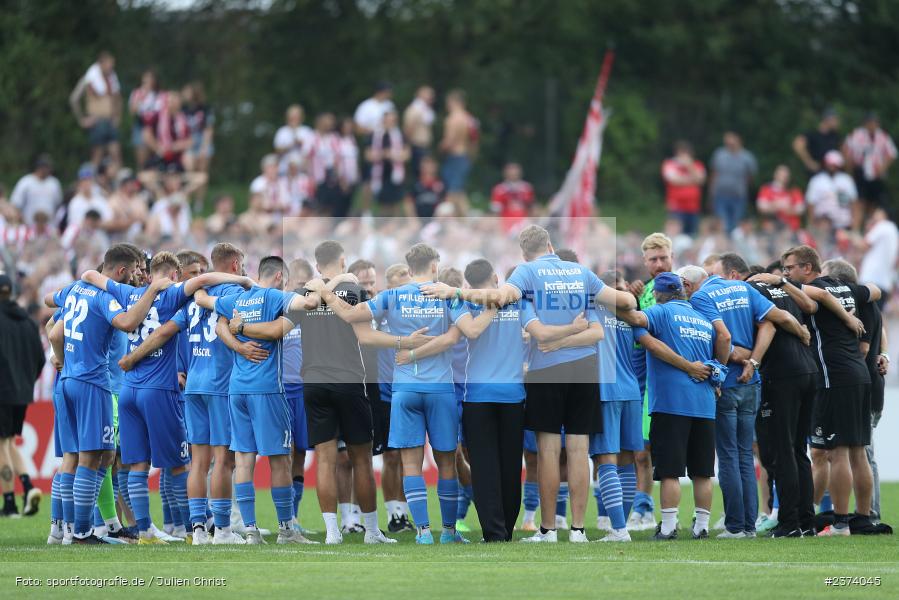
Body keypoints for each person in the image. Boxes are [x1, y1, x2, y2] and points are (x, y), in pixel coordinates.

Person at [420, 225, 636, 543]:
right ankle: (577, 530)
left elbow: (501, 299)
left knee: (548, 451)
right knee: (579, 449)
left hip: (546, 370)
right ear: (550, 245)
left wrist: (456, 292)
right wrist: (620, 302)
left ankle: (548, 530)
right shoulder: (582, 273)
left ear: (524, 253)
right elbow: (625, 302)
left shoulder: (527, 273)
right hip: (585, 367)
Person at [232, 243, 409, 545]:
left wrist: (242, 327)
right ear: (343, 261)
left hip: (313, 384)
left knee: (325, 461)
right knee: (362, 460)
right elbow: (365, 336)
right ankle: (372, 532)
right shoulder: (354, 291)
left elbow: (275, 331)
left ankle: (331, 533)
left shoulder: (305, 295)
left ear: (316, 265)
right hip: (349, 382)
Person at [85, 252, 253, 545]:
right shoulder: (174, 294)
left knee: (137, 465)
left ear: (150, 273)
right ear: (174, 275)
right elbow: (202, 281)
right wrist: (243, 280)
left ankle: (145, 531)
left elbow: (89, 274)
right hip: (159, 390)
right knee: (180, 464)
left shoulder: (128, 293)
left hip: (129, 389)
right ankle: (192, 528)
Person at [311, 243, 469, 545]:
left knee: (409, 464)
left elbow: (351, 316)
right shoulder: (446, 294)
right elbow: (458, 335)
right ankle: (449, 532)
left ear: (409, 269)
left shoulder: (392, 295)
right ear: (434, 266)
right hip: (440, 388)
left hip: (404, 389)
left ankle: (423, 533)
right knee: (447, 463)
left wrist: (327, 293)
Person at [47, 244, 171, 544]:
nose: (138, 275)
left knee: (80, 457)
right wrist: (153, 291)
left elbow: (52, 323)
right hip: (94, 383)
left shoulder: (75, 289)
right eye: (135, 270)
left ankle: (62, 530)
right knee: (94, 457)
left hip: (68, 380)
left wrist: (60, 358)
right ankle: (82, 531)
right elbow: (127, 322)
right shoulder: (106, 297)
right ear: (121, 271)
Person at [681, 255, 810, 537]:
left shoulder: (701, 298)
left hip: (728, 383)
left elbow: (722, 338)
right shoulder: (742, 287)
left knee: (728, 456)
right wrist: (799, 333)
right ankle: (750, 525)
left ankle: (736, 526)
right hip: (752, 383)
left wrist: (726, 366)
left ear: (690, 285)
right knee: (745, 456)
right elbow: (775, 321)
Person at [207, 256, 323, 544]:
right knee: (280, 460)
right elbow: (309, 305)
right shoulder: (275, 297)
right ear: (280, 277)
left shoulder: (236, 299)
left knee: (244, 459)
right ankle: (286, 530)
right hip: (268, 388)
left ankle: (250, 531)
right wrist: (316, 286)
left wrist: (238, 341)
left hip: (237, 389)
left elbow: (206, 305)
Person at [779, 245, 879, 536]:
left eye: (791, 268)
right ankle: (863, 518)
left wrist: (779, 282)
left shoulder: (816, 289)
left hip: (833, 376)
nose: (787, 274)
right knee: (858, 451)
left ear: (807, 268)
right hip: (859, 374)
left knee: (837, 452)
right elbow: (875, 290)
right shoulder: (846, 287)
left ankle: (841, 522)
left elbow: (819, 296)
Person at [616, 272, 717, 541]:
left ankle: (669, 527)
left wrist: (607, 302)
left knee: (669, 470)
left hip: (672, 403)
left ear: (658, 294)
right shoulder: (702, 319)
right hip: (704, 404)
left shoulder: (660, 312)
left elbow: (637, 320)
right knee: (702, 472)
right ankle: (702, 527)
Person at [745, 264, 821, 537]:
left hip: (781, 374)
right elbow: (811, 307)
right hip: (808, 369)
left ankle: (788, 523)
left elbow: (769, 325)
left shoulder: (749, 290)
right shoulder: (783, 290)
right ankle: (806, 521)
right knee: (799, 449)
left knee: (783, 450)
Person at [820, 259, 888, 525]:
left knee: (861, 452)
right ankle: (864, 513)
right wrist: (884, 354)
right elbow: (880, 335)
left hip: (860, 386)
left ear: (838, 280)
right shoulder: (868, 303)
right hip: (867, 383)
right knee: (859, 452)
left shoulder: (863, 305)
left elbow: (863, 347)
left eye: (826, 277)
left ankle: (869, 513)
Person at [587, 271, 643, 542]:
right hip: (631, 390)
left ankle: (619, 529)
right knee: (627, 461)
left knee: (605, 459)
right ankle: (620, 528)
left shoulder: (593, 310)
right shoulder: (631, 315)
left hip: (605, 390)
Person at [625, 232, 676, 531]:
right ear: (645, 262)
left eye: (663, 258)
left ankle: (676, 515)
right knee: (641, 451)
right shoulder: (641, 291)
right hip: (642, 379)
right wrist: (630, 296)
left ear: (672, 258)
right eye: (653, 259)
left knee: (666, 451)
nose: (659, 264)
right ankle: (643, 508)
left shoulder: (683, 289)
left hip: (672, 378)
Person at [374, 263, 416, 532]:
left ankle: (406, 513)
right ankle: (395, 515)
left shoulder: (415, 310)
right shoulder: (380, 312)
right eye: (400, 285)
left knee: (408, 456)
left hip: (411, 390)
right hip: (386, 394)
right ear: (389, 287)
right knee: (391, 457)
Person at [0, 274, 46, 517]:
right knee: (8, 441)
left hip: (2, 392)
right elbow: (40, 358)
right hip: (21, 393)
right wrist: (26, 383)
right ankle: (28, 488)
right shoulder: (28, 322)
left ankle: (9, 504)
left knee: (1, 444)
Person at [69, 51, 122, 171]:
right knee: (97, 155)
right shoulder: (89, 78)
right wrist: (81, 119)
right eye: (109, 64)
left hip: (110, 120)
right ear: (101, 64)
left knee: (116, 154)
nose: (111, 67)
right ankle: (92, 179)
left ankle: (118, 180)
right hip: (97, 121)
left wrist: (118, 116)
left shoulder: (112, 78)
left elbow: (118, 99)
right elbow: (74, 99)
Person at [842, 112, 896, 212]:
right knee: (860, 199)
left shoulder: (883, 135)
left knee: (874, 201)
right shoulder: (856, 134)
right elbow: (845, 148)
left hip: (876, 173)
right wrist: (849, 166)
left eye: (874, 123)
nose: (872, 125)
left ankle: (871, 219)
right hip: (860, 171)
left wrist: (883, 167)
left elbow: (892, 153)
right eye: (870, 122)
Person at [709, 132, 758, 236]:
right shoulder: (719, 154)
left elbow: (750, 177)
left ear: (738, 140)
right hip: (720, 195)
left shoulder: (747, 157)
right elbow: (714, 174)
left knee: (736, 224)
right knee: (722, 224)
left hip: (738, 197)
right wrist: (711, 194)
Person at [440, 90, 478, 215]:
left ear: (454, 102)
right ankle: (465, 219)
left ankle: (445, 219)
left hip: (454, 157)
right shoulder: (470, 119)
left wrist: (440, 149)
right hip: (464, 156)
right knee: (459, 191)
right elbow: (474, 140)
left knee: (452, 191)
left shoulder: (452, 119)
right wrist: (471, 156)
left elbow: (449, 141)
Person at [806, 150, 861, 234]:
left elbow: (854, 203)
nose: (832, 167)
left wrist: (855, 226)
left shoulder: (846, 180)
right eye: (830, 164)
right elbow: (810, 204)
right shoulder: (817, 180)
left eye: (834, 164)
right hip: (822, 225)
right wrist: (812, 224)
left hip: (844, 225)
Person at [367, 111, 409, 216]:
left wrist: (392, 155)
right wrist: (383, 154)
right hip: (380, 172)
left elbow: (407, 154)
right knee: (382, 202)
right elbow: (368, 155)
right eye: (388, 120)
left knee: (396, 201)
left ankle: (393, 223)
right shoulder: (375, 135)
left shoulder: (400, 135)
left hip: (395, 172)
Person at [661, 141, 706, 236]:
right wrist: (693, 180)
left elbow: (701, 180)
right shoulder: (670, 164)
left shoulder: (697, 165)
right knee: (674, 234)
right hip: (676, 207)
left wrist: (689, 166)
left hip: (693, 207)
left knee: (692, 235)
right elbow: (674, 181)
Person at [857, 207, 898, 310]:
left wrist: (848, 236)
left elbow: (864, 245)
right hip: (885, 283)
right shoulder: (894, 231)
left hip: (871, 279)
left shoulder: (882, 226)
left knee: (864, 313)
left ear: (884, 214)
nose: (874, 216)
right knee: (877, 315)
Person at [10, 155, 63, 226]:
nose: (47, 170)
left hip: (49, 227)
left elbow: (58, 206)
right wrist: (22, 221)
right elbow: (16, 204)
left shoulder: (54, 183)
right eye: (45, 167)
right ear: (39, 168)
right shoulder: (26, 182)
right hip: (29, 225)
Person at [793, 107, 841, 175]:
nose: (837, 122)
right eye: (835, 119)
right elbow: (797, 144)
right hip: (817, 175)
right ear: (827, 120)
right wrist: (809, 162)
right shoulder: (813, 135)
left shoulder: (835, 136)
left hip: (832, 175)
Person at [128, 70, 161, 170]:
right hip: (140, 125)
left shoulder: (158, 95)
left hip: (156, 127)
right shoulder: (137, 93)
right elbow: (132, 111)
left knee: (156, 159)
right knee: (141, 159)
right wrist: (141, 98)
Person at [756, 165, 805, 232]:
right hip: (771, 228)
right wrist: (776, 205)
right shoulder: (766, 189)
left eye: (786, 175)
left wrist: (787, 209)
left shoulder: (794, 191)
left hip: (792, 228)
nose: (784, 177)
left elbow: (800, 210)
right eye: (781, 175)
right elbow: (761, 208)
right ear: (775, 175)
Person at [181, 82, 215, 176]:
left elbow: (208, 130)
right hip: (188, 141)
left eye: (187, 91)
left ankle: (201, 186)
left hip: (202, 140)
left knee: (202, 170)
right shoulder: (183, 109)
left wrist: (204, 148)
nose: (184, 93)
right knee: (189, 167)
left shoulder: (205, 109)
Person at [490, 162, 535, 231]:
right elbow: (495, 211)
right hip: (506, 223)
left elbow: (532, 208)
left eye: (515, 171)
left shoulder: (527, 188)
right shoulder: (499, 190)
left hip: (524, 222)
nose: (513, 173)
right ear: (505, 173)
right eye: (511, 171)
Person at [403, 86, 435, 178]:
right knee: (419, 172)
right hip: (417, 145)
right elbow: (408, 128)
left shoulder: (425, 110)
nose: (431, 97)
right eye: (428, 94)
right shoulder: (414, 109)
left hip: (424, 146)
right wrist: (407, 144)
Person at [274, 104, 315, 173]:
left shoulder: (307, 131)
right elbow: (277, 151)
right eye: (292, 116)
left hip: (303, 170)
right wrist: (291, 145)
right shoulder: (282, 131)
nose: (294, 118)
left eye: (296, 115)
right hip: (285, 170)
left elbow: (313, 150)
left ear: (301, 117)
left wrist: (302, 144)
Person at [404, 155, 445, 220]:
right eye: (425, 164)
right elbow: (408, 203)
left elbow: (445, 203)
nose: (428, 168)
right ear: (420, 167)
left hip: (436, 219)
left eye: (431, 165)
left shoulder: (441, 183)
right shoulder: (414, 183)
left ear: (435, 167)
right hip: (418, 219)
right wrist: (413, 219)